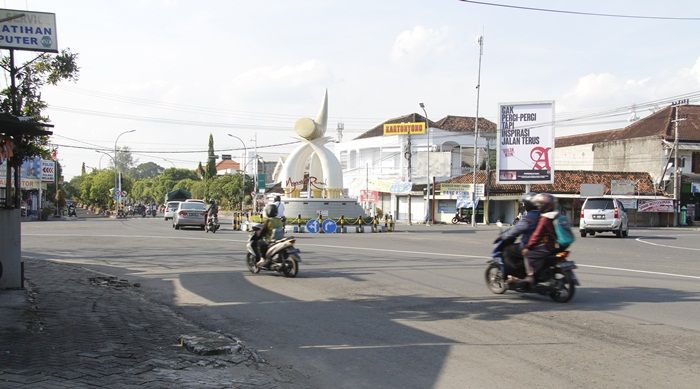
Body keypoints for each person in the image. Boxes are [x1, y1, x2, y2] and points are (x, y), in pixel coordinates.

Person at [497, 193, 540, 284]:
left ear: (527, 205)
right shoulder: (543, 216)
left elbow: (516, 230)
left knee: (507, 251)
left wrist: (503, 236)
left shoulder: (529, 217)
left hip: (529, 245)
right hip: (542, 245)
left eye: (524, 204)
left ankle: (514, 276)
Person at [521, 193, 559, 285]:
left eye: (539, 205)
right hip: (557, 245)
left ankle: (530, 276)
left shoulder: (545, 219)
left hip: (547, 246)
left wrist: (528, 247)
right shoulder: (557, 215)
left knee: (527, 254)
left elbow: (536, 235)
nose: (538, 207)